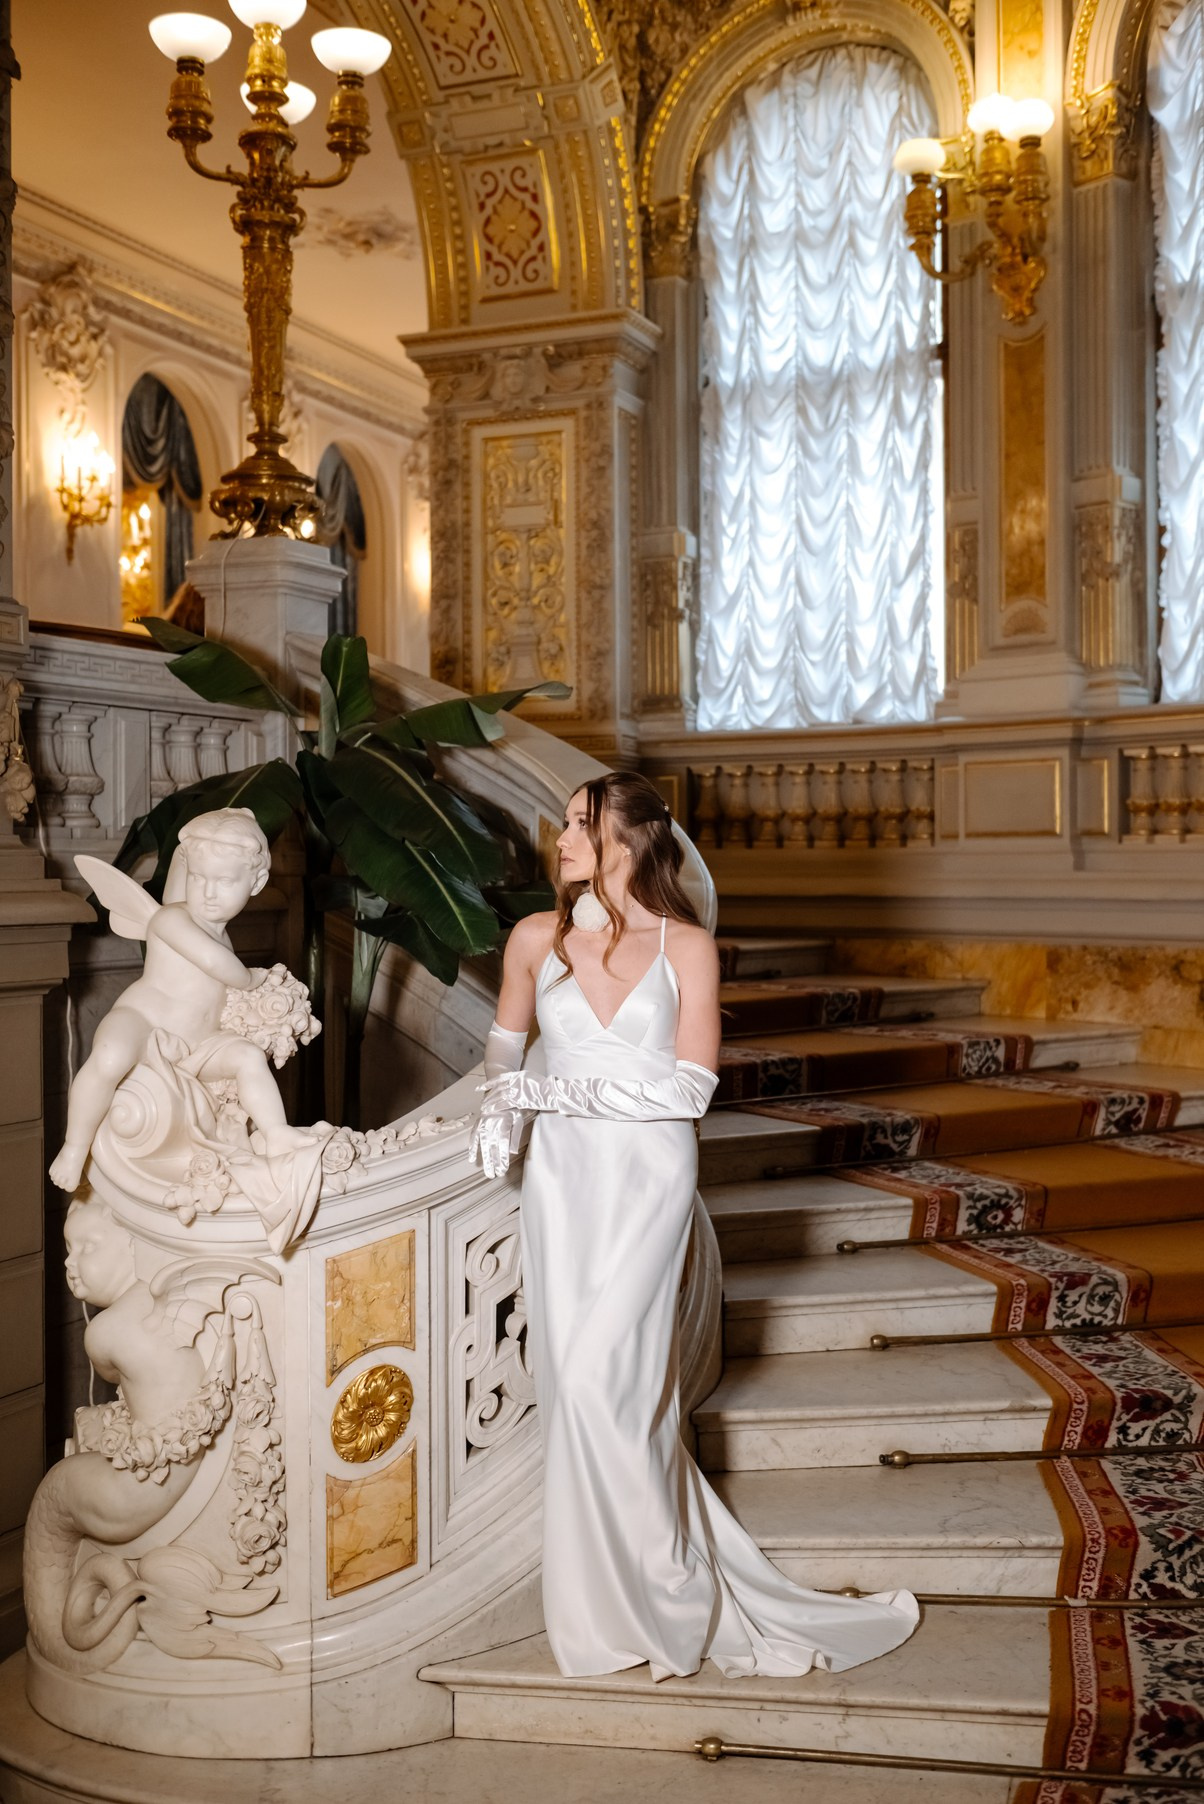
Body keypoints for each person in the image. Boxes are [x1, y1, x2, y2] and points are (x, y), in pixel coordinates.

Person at [470, 771, 919, 1682]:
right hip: (562, 1184)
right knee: (575, 1387)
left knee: (611, 1382)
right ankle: (603, 1603)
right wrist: (501, 1108)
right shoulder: (533, 939)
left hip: (648, 1179)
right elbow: (504, 1052)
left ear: (628, 841)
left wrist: (555, 1094)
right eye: (566, 823)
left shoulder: (687, 946)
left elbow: (691, 1088)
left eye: (580, 824)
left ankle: (669, 1589)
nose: (561, 838)